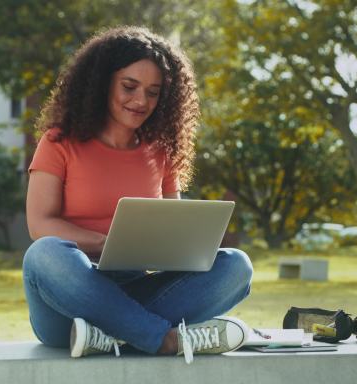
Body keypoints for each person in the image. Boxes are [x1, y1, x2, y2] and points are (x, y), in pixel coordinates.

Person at [22, 26, 253, 364]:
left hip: (134, 290)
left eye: (153, 92)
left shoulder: (162, 152)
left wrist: (184, 249)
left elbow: (171, 233)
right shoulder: (59, 142)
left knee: (236, 266)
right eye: (129, 87)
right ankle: (160, 339)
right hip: (68, 299)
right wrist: (105, 243)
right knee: (44, 255)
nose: (141, 101)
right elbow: (39, 224)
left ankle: (114, 334)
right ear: (103, 83)